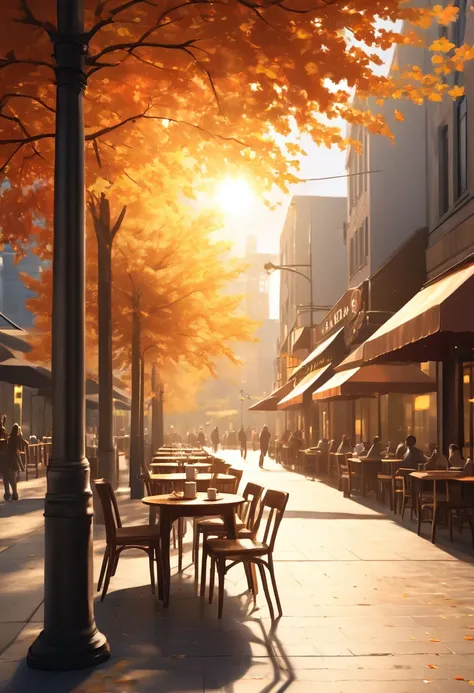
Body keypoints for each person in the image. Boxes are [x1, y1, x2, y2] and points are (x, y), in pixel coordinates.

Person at [1, 424, 23, 502]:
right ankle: (13, 493)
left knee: (6, 478)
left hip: (5, 462)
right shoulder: (12, 439)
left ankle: (9, 493)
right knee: (11, 478)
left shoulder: (8, 439)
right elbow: (16, 451)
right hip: (10, 461)